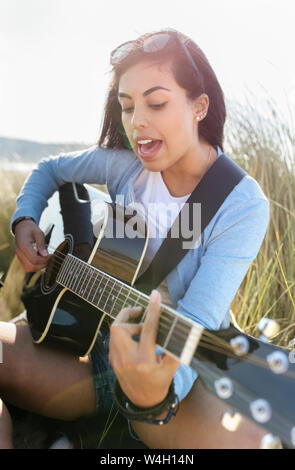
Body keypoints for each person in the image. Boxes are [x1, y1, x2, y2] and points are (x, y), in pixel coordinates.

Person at [0, 28, 270, 449]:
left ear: (200, 107)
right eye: (127, 107)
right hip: (89, 345)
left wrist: (154, 390)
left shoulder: (239, 201)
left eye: (156, 103)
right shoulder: (125, 168)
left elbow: (195, 322)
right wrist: (24, 220)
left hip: (171, 367)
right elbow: (49, 168)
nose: (137, 122)